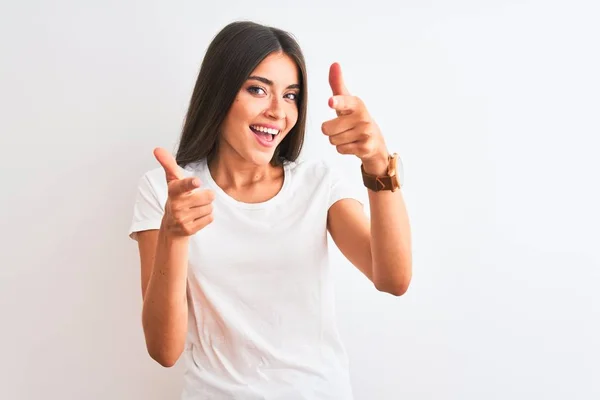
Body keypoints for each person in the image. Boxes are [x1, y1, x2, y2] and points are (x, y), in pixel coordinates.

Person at [128, 20, 412, 400]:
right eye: (258, 89)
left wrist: (378, 163)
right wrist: (175, 235)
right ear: (220, 93)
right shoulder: (165, 189)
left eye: (291, 95)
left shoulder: (317, 184)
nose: (278, 111)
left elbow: (393, 279)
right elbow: (164, 351)